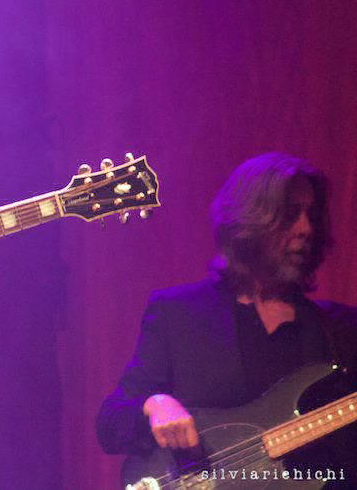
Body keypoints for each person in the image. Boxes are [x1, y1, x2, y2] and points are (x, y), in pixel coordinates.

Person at [97, 152, 357, 485]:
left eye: (312, 215)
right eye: (290, 214)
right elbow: (110, 424)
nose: (306, 229)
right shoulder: (178, 315)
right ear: (250, 220)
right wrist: (155, 405)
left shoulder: (341, 331)